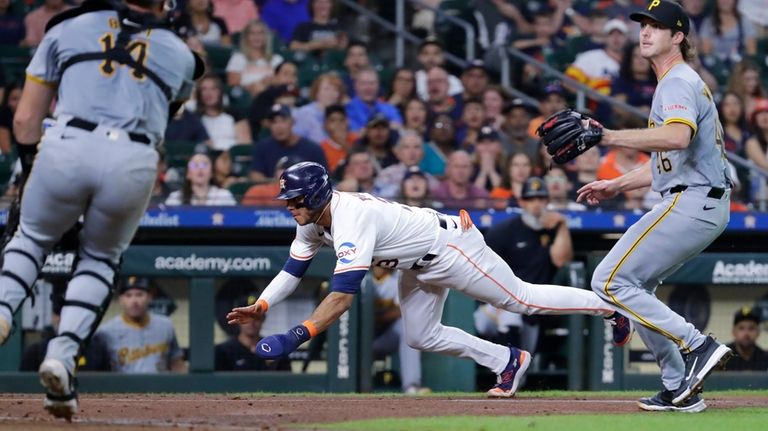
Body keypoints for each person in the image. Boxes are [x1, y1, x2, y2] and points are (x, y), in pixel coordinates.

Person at [226, 162, 631, 399]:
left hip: (451, 247)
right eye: (288, 201)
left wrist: (295, 336)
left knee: (521, 300)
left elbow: (343, 296)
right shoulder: (311, 222)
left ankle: (609, 308)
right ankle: (506, 360)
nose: (290, 207)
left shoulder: (349, 217)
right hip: (415, 264)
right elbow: (291, 272)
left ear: (316, 195)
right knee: (419, 335)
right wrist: (262, 305)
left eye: (296, 200)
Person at [0, 0, 201, 419]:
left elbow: (24, 121)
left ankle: (1, 310)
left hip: (67, 144)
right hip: (134, 158)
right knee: (98, 259)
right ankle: (62, 355)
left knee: (33, 238)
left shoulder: (66, 27)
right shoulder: (181, 54)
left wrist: (34, 172)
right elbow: (169, 108)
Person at [576, 1, 734, 413]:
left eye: (657, 27)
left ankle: (698, 345)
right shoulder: (677, 81)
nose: (646, 32)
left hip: (694, 199)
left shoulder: (677, 81)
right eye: (643, 25)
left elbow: (678, 137)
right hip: (700, 199)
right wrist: (617, 183)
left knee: (608, 280)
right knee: (634, 286)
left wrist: (608, 137)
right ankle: (678, 387)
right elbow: (671, 159)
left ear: (678, 37)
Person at [483, 176, 575, 357]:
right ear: (521, 201)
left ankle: (514, 379)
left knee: (527, 352)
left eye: (541, 199)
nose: (536, 204)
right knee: (509, 315)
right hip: (494, 305)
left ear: (547, 201)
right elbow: (481, 266)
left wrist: (562, 226)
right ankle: (508, 373)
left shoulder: (552, 230)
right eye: (531, 199)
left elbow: (560, 261)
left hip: (531, 309)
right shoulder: (504, 231)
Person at [97, 277, 186, 374]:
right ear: (121, 299)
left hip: (159, 387)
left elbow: (176, 363)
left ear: (150, 297)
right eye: (128, 295)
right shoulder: (106, 332)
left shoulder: (165, 325)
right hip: (123, 388)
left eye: (139, 295)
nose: (134, 301)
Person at [369, 266, 429, 394]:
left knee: (407, 327)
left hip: (384, 336)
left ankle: (411, 385)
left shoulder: (397, 278)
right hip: (360, 338)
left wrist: (377, 317)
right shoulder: (361, 276)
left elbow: (401, 310)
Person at [215, 292, 292, 371]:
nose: (252, 322)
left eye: (256, 317)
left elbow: (287, 380)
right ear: (238, 319)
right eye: (247, 317)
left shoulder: (274, 350)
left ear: (263, 318)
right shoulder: (223, 352)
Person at [250, 103, 326, 182]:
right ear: (269, 125)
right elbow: (256, 176)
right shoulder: (263, 147)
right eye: (274, 122)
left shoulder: (312, 149)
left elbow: (323, 178)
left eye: (283, 121)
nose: (279, 126)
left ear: (292, 122)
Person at [225, 20, 284, 97]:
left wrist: (271, 82)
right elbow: (233, 85)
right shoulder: (238, 58)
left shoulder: (277, 59)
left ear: (266, 37)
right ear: (246, 37)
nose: (257, 37)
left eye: (260, 33)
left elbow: (284, 81)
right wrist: (257, 85)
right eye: (252, 33)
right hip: (247, 97)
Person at [165, 152, 237, 205]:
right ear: (188, 174)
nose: (200, 168)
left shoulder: (224, 196)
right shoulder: (176, 198)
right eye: (194, 165)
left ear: (211, 172)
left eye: (204, 164)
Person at [725, 307, 768, 371]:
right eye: (741, 328)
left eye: (751, 328)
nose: (746, 333)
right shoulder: (723, 357)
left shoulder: (765, 358)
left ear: (758, 332)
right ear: (734, 332)